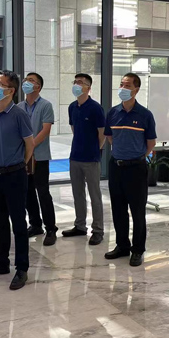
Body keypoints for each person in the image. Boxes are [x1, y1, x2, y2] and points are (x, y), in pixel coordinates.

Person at [0, 71, 35, 291]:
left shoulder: (19, 115)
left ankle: (22, 268)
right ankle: (1, 262)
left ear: (11, 90)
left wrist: (19, 165)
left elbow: (29, 145)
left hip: (14, 175)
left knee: (19, 223)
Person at [104, 73, 156, 267]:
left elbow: (151, 143)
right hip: (116, 166)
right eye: (121, 84)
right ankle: (122, 246)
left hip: (136, 168)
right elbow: (110, 137)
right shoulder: (113, 112)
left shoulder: (145, 115)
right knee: (118, 209)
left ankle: (138, 249)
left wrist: (137, 156)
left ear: (136, 89)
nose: (123, 88)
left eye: (127, 85)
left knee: (137, 211)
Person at [63, 73, 106, 245]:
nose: (76, 85)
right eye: (75, 82)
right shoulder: (72, 107)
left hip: (91, 158)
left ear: (88, 87)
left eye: (80, 82)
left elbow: (102, 134)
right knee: (77, 193)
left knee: (95, 195)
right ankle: (80, 225)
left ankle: (98, 230)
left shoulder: (96, 108)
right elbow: (74, 129)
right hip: (75, 156)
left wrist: (95, 150)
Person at [18, 72, 58, 246]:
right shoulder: (19, 107)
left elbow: (46, 129)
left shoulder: (45, 105)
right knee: (27, 192)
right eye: (26, 80)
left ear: (38, 87)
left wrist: (31, 145)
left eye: (31, 80)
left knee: (43, 192)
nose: (26, 82)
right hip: (22, 157)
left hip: (40, 157)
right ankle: (35, 225)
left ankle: (51, 228)